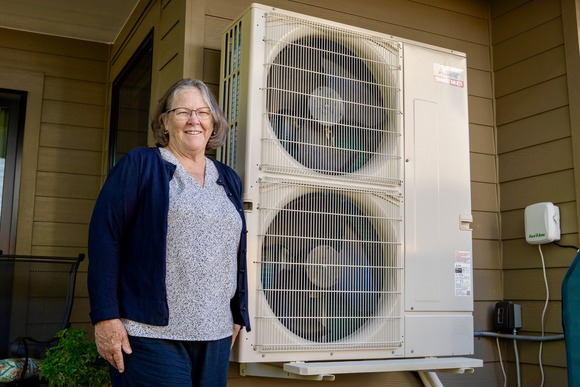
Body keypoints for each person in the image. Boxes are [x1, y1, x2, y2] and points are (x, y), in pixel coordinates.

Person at [87, 78, 250, 387]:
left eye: (203, 112)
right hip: (149, 334)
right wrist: (105, 317)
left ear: (213, 122)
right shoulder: (141, 165)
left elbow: (234, 249)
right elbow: (105, 238)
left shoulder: (227, 178)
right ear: (164, 121)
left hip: (215, 335)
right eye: (182, 111)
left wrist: (237, 314)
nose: (194, 120)